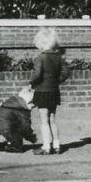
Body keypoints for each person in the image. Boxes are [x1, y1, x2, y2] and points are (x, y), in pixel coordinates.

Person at [28, 26, 65, 155]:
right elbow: (66, 72)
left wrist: (31, 83)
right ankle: (57, 145)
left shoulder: (40, 58)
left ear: (42, 43)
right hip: (54, 91)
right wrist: (56, 80)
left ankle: (46, 146)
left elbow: (37, 74)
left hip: (42, 91)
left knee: (44, 121)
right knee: (53, 120)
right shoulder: (59, 57)